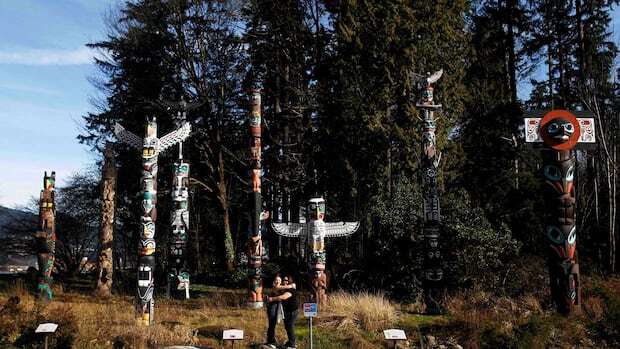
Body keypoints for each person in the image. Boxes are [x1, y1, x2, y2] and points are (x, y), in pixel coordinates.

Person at [266, 274, 298, 349]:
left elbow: (283, 297)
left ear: (289, 281)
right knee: (284, 326)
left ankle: (292, 344)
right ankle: (273, 341)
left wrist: (271, 299)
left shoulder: (291, 289)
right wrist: (288, 286)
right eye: (283, 280)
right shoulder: (281, 288)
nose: (285, 282)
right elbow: (276, 288)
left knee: (290, 326)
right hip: (282, 310)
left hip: (292, 311)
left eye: (286, 280)